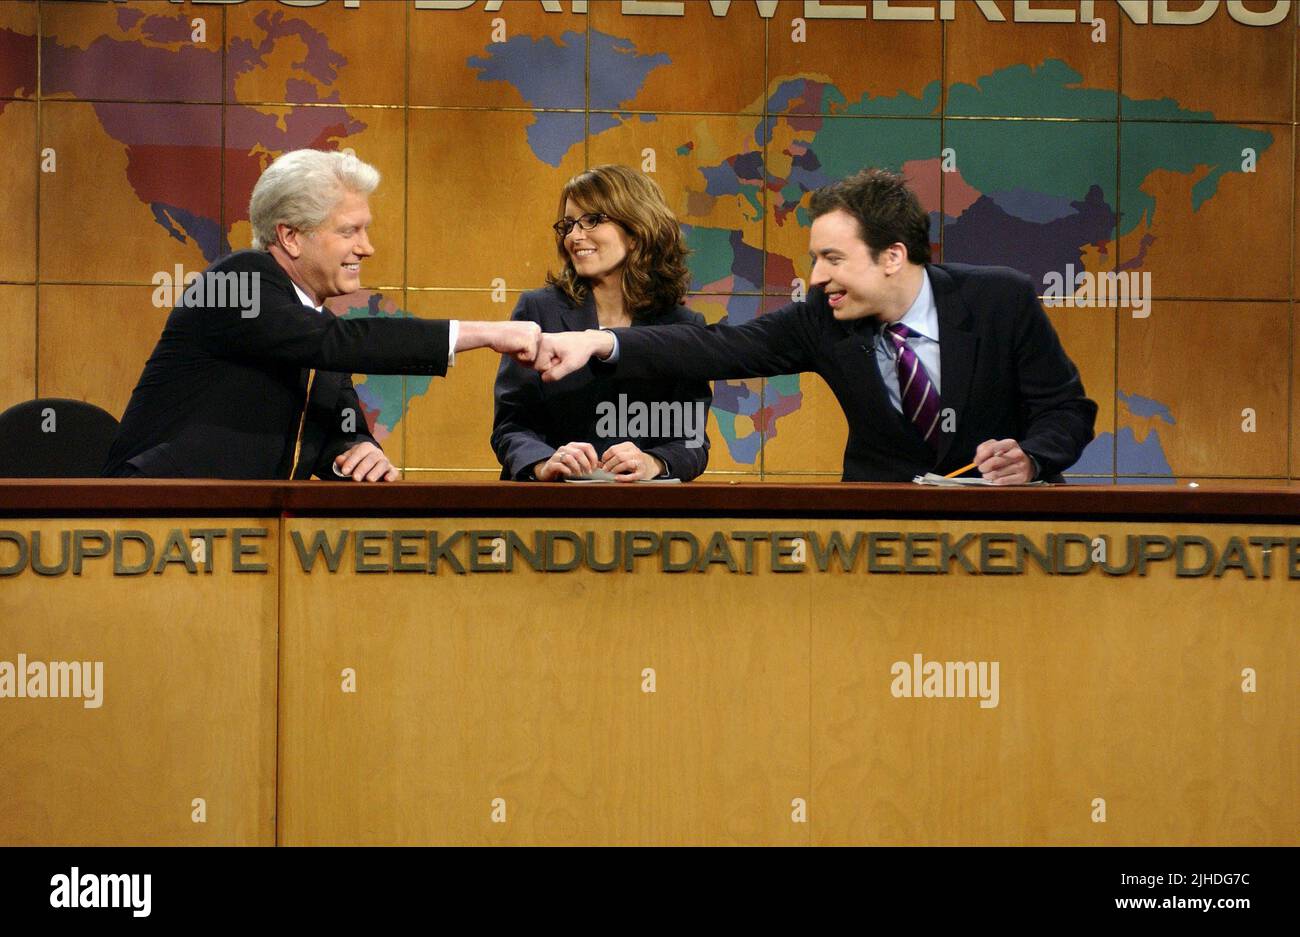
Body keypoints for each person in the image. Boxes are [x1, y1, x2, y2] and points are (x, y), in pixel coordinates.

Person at [532, 168, 1097, 484]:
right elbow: (714, 348)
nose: (817, 276)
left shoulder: (1000, 301)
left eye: (833, 258)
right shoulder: (822, 320)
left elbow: (1067, 412)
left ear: (892, 257)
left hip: (1007, 543)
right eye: (814, 258)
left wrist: (1032, 458)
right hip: (877, 544)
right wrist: (597, 340)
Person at [103, 149, 539, 481]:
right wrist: (487, 332)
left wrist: (358, 450)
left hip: (250, 531)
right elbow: (334, 344)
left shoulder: (309, 316)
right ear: (290, 236)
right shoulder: (237, 283)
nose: (366, 248)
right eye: (349, 231)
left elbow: (335, 422)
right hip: (154, 513)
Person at [492, 165, 712, 482]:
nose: (574, 236)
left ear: (637, 232)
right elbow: (511, 424)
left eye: (592, 220)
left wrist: (652, 462)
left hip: (641, 515)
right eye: (568, 225)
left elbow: (691, 441)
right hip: (547, 510)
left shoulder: (683, 326)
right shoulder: (539, 311)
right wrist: (543, 463)